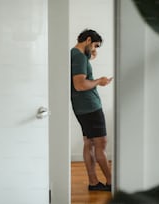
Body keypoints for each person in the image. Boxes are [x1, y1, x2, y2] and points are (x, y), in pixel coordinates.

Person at [70, 29, 112, 191]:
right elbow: (80, 85)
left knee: (89, 143)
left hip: (81, 107)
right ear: (88, 40)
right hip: (90, 106)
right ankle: (111, 182)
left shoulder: (75, 54)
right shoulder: (79, 57)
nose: (95, 49)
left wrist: (90, 56)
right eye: (94, 45)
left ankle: (94, 182)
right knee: (100, 143)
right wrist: (99, 81)